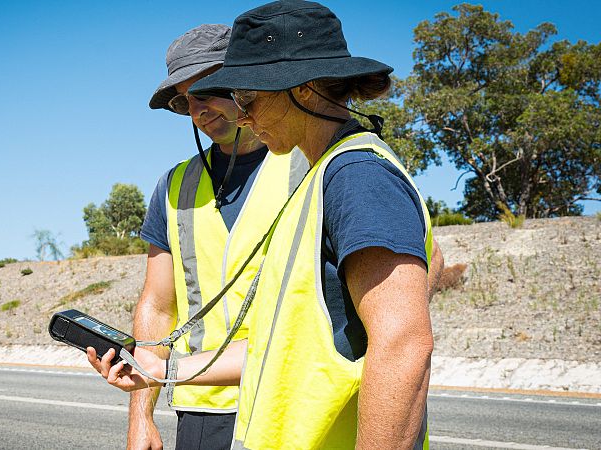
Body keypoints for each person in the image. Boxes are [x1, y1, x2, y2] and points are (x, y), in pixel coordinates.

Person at [89, 2, 445, 449]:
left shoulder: (357, 177)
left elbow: (404, 346)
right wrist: (158, 370)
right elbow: (280, 343)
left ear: (307, 88)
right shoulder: (317, 179)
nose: (241, 115)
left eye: (248, 97)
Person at [130, 24, 308, 450]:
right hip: (203, 408)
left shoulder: (313, 163)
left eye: (207, 91)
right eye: (185, 102)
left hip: (292, 402)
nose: (197, 111)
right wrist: (141, 417)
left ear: (248, 82)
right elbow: (157, 305)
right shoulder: (174, 186)